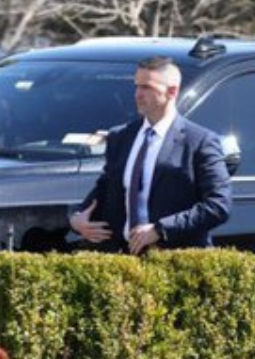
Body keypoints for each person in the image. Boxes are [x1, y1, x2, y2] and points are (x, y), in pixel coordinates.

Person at [69, 56, 231, 254]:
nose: (138, 94)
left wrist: (160, 230)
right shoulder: (121, 136)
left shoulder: (199, 141)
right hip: (122, 261)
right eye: (136, 86)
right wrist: (77, 217)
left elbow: (218, 205)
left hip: (176, 260)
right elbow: (105, 187)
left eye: (146, 87)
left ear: (172, 91)